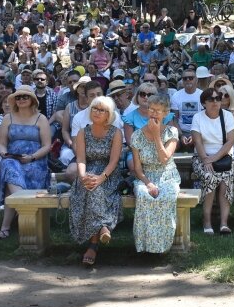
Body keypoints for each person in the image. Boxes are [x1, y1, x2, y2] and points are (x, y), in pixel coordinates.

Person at [70, 96, 123, 266]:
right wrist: (83, 176)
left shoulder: (116, 132)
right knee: (89, 187)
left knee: (95, 189)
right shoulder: (82, 132)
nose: (97, 112)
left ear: (109, 114)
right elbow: (81, 159)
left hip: (109, 173)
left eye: (102, 110)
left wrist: (101, 178)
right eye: (94, 108)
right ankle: (102, 228)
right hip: (88, 171)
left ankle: (93, 245)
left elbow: (114, 161)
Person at [0, 85, 52, 239]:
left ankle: (6, 227)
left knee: (10, 186)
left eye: (25, 97)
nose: (21, 99)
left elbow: (47, 145)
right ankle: (25, 214)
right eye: (18, 97)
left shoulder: (41, 119)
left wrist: (32, 157)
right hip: (13, 158)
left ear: (32, 100)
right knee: (8, 165)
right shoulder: (8, 118)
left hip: (36, 161)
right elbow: (2, 143)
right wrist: (3, 152)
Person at [130, 94, 180, 253]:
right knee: (144, 196)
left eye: (158, 111)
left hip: (168, 175)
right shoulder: (137, 135)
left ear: (165, 113)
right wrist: (148, 183)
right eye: (151, 109)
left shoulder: (171, 132)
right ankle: (145, 245)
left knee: (165, 197)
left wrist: (157, 134)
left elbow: (165, 159)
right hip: (146, 177)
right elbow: (137, 169)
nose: (153, 113)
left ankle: (162, 246)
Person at [191, 88, 234, 235]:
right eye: (211, 99)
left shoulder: (228, 116)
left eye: (218, 98)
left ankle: (224, 223)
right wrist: (206, 159)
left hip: (223, 157)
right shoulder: (197, 118)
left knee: (227, 180)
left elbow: (230, 141)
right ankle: (207, 221)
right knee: (209, 177)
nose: (215, 101)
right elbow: (197, 142)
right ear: (204, 103)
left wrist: (214, 158)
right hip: (202, 157)